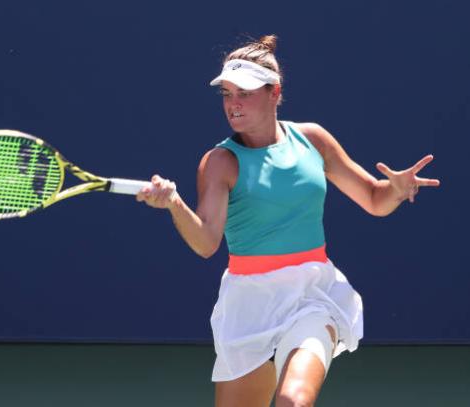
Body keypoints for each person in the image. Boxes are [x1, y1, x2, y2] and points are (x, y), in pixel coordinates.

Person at [136, 35, 440, 407]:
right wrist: (174, 204)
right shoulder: (220, 162)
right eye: (227, 94)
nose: (233, 104)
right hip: (248, 304)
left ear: (274, 92)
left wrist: (396, 189)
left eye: (244, 93)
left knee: (293, 401)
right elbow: (206, 243)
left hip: (313, 293)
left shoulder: (313, 139)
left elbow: (375, 199)